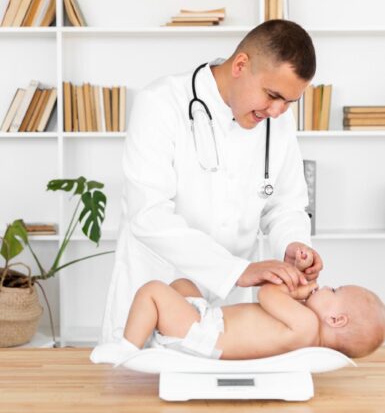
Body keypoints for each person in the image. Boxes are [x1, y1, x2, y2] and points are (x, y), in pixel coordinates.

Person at [101, 19, 324, 344]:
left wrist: (294, 244)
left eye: (290, 101)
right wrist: (236, 271)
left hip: (225, 317)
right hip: (152, 296)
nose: (278, 111)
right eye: (273, 95)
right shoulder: (160, 104)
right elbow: (148, 216)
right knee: (137, 388)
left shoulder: (278, 122)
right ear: (241, 65)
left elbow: (286, 204)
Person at [91, 250, 385, 364]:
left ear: (336, 319)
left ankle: (127, 350)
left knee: (153, 291)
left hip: (206, 337)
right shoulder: (305, 330)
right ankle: (154, 334)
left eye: (334, 290)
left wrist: (294, 287)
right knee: (182, 285)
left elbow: (266, 296)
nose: (324, 286)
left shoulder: (308, 326)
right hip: (209, 325)